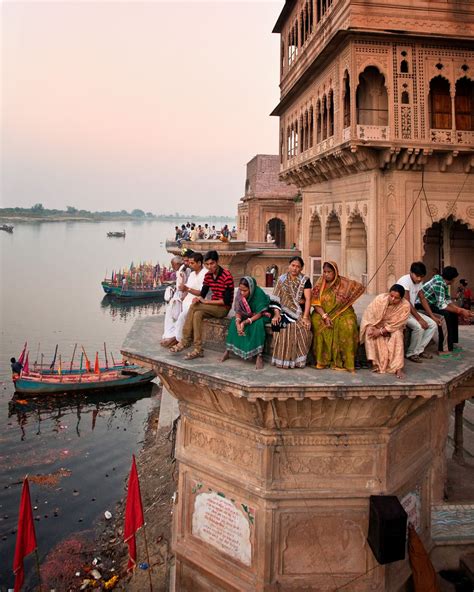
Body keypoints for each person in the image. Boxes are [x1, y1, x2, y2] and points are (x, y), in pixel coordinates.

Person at [171, 250, 234, 359]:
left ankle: (185, 341)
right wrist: (198, 299)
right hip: (212, 306)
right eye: (207, 264)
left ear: (217, 262)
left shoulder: (226, 275)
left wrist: (205, 302)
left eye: (212, 263)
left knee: (194, 307)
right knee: (197, 314)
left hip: (223, 308)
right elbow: (203, 294)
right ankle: (198, 349)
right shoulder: (208, 275)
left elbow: (226, 301)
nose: (210, 267)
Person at [311, 261, 365, 372]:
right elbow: (315, 303)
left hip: (343, 312)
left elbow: (357, 288)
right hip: (322, 313)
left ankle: (347, 362)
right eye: (324, 272)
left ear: (335, 272)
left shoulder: (344, 283)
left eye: (329, 272)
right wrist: (325, 317)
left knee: (348, 326)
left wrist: (349, 297)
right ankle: (323, 360)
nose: (326, 274)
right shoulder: (320, 284)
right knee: (320, 326)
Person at [416, 266, 474, 352]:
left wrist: (461, 310)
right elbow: (441, 305)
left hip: (432, 305)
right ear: (452, 279)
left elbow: (447, 300)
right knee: (444, 316)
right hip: (421, 306)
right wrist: (461, 311)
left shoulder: (443, 282)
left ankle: (451, 342)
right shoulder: (438, 282)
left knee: (453, 314)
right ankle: (444, 349)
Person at [269, 256, 312, 369]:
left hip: (300, 312)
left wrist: (306, 317)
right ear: (289, 266)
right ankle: (282, 360)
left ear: (301, 268)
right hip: (283, 311)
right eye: (293, 265)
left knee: (302, 328)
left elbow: (308, 299)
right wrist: (276, 314)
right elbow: (275, 299)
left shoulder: (305, 280)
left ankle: (297, 361)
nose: (295, 268)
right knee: (281, 326)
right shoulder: (281, 279)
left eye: (298, 266)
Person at [360, 284, 410, 379]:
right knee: (369, 330)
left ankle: (398, 368)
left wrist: (381, 331)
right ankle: (376, 363)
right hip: (377, 324)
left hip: (394, 327)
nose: (392, 299)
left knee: (397, 335)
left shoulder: (405, 306)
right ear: (388, 293)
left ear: (401, 298)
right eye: (391, 296)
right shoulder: (380, 299)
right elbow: (369, 314)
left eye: (396, 298)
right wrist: (375, 328)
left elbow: (398, 323)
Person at [222, 276, 270, 370]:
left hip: (260, 315)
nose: (242, 293)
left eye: (245, 290)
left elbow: (260, 313)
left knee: (257, 325)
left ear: (251, 289)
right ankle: (227, 351)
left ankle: (259, 356)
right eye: (241, 290)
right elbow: (238, 312)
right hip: (246, 315)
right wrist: (238, 323)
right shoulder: (240, 294)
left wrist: (245, 322)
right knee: (233, 322)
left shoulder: (258, 293)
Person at [162, 253, 207, 348]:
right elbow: (187, 289)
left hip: (196, 302)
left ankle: (177, 339)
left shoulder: (205, 274)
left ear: (199, 263)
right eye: (189, 262)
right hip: (186, 300)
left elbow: (202, 293)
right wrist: (181, 297)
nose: (189, 265)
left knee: (182, 316)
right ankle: (169, 334)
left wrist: (187, 289)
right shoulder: (191, 274)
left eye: (192, 263)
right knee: (171, 308)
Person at [397, 262, 438, 363]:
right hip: (402, 312)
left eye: (422, 277)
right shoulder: (404, 281)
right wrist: (420, 319)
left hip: (411, 312)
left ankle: (419, 350)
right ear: (411, 273)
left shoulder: (418, 282)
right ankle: (411, 353)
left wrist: (432, 316)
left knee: (433, 324)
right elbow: (407, 303)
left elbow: (422, 298)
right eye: (417, 276)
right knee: (419, 327)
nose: (419, 279)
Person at [161, 255, 184, 346]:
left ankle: (174, 336)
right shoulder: (179, 271)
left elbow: (184, 286)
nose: (173, 267)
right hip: (177, 295)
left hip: (180, 297)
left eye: (173, 265)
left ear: (178, 264)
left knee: (175, 316)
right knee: (170, 314)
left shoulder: (182, 271)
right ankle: (169, 334)